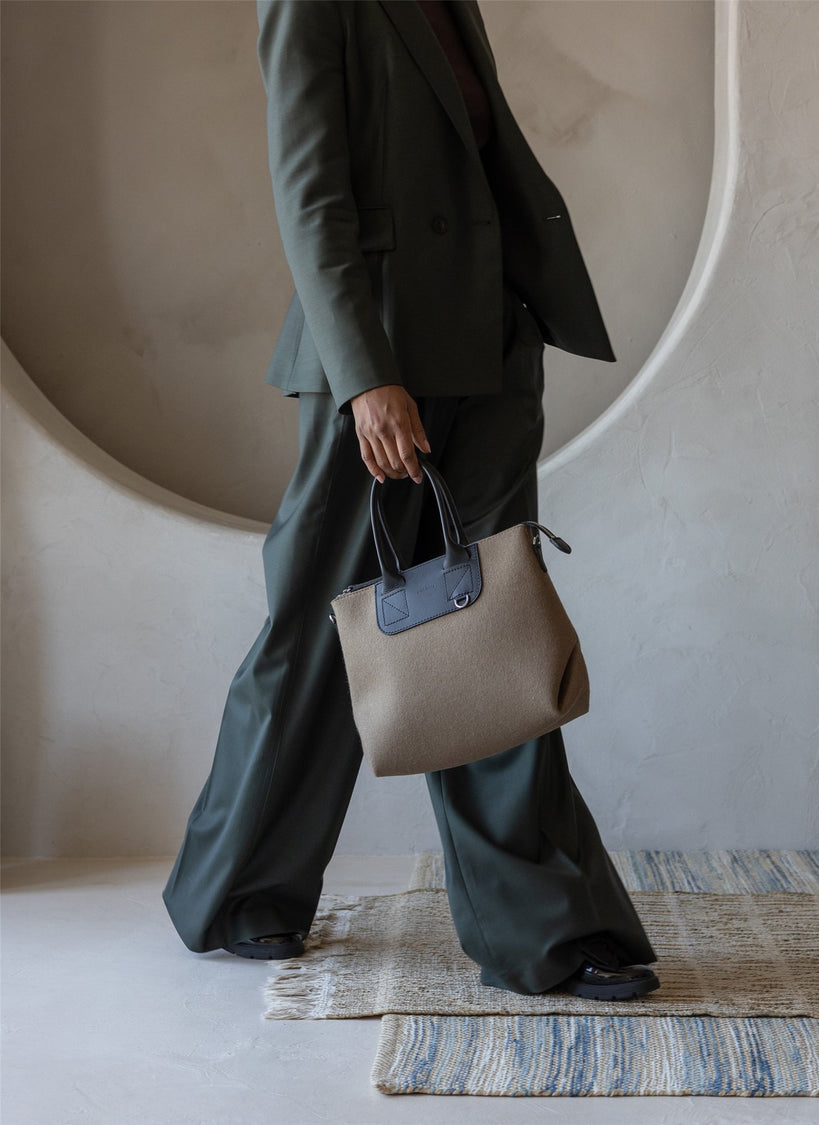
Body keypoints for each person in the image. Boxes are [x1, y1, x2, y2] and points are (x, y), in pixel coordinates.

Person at [163, 0, 660, 1001]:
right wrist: (363, 376)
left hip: (488, 349)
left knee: (491, 638)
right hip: (379, 362)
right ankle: (241, 888)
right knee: (313, 633)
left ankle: (548, 931)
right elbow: (312, 192)